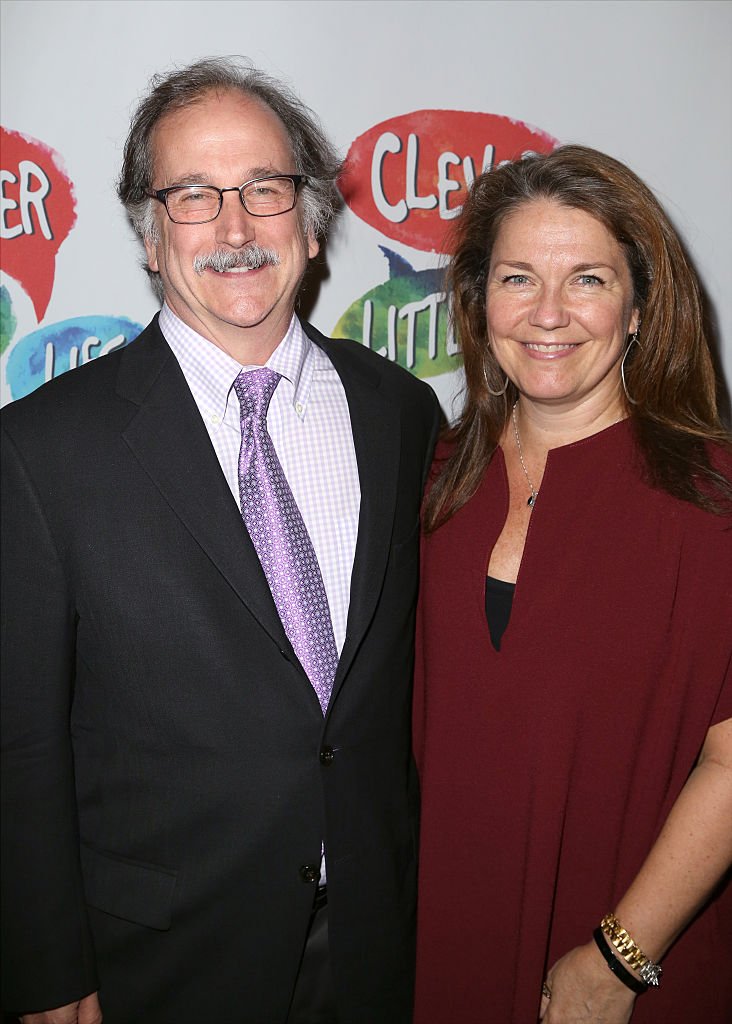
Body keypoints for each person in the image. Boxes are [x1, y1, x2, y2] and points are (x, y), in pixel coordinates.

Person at [1, 57, 440, 1024]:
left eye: (265, 191)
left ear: (312, 223)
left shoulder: (403, 415)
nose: (235, 228)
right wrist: (44, 967)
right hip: (156, 960)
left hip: (380, 940)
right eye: (194, 195)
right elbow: (20, 737)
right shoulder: (41, 450)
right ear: (152, 238)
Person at [412, 145, 732, 1024]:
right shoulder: (430, 479)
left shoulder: (711, 501)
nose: (548, 314)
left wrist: (618, 961)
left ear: (637, 309)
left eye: (587, 279)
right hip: (441, 948)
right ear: (480, 305)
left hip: (632, 967)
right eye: (517, 278)